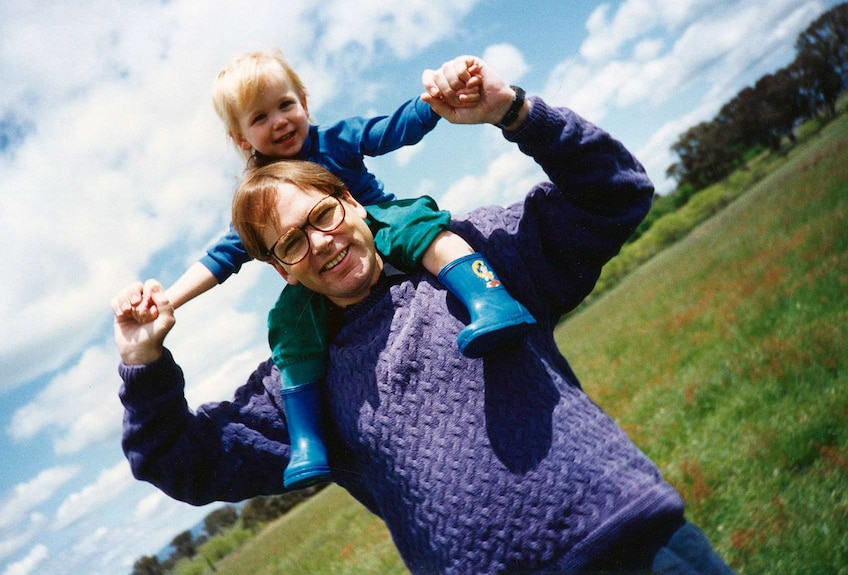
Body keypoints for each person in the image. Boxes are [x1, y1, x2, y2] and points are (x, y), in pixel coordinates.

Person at [114, 55, 735, 574]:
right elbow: (182, 461)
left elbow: (614, 194)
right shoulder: (298, 371)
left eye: (325, 216)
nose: (321, 243)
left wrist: (512, 111)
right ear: (279, 269)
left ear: (352, 202)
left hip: (637, 542)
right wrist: (144, 360)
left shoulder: (476, 248)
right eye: (292, 242)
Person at [113, 49, 535, 491]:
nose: (279, 121)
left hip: (378, 225)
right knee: (287, 321)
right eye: (259, 117)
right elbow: (222, 258)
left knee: (421, 224)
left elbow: (391, 130)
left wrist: (435, 100)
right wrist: (168, 301)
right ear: (241, 141)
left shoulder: (336, 139)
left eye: (285, 104)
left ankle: (489, 302)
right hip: (320, 276)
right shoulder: (260, 200)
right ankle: (307, 441)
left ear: (305, 103)